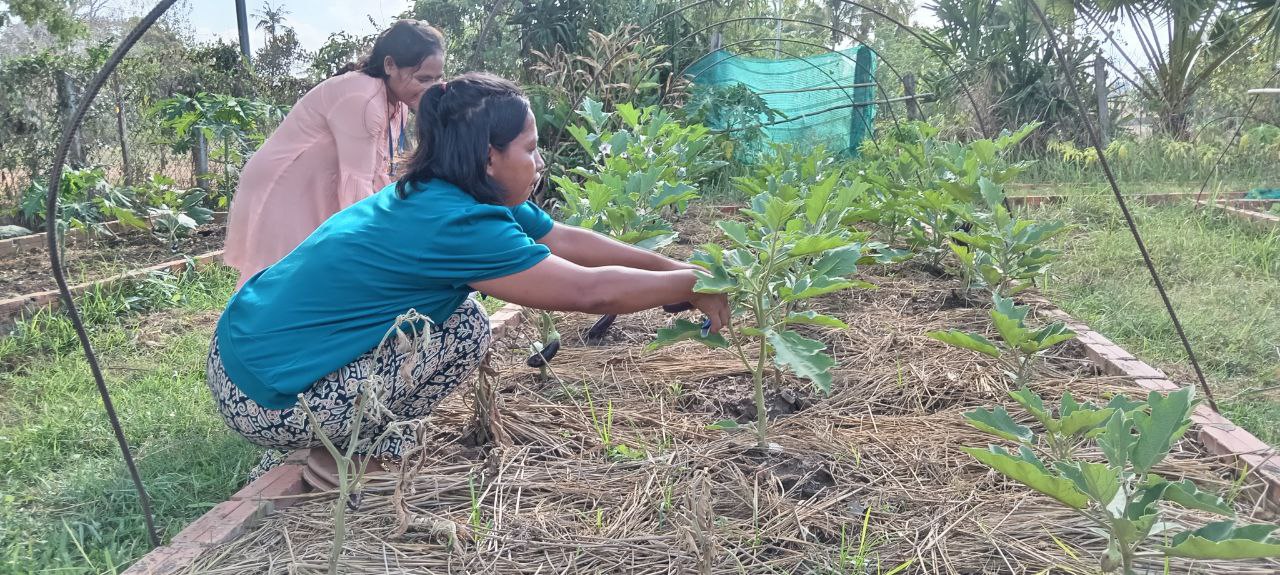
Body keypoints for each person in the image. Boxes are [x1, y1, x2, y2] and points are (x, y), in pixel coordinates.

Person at [206, 73, 731, 487]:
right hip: (263, 398)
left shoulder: (446, 190)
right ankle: (344, 452)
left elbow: (565, 239)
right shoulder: (457, 223)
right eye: (530, 148)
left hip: (245, 353)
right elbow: (586, 291)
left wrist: (678, 271)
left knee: (458, 317)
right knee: (464, 330)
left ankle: (335, 440)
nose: (539, 162)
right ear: (489, 157)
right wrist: (690, 285)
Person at [223, 19, 447, 289]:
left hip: (322, 180)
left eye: (438, 78)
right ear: (390, 65)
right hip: (287, 181)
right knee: (281, 274)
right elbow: (358, 191)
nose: (433, 87)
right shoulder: (362, 98)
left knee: (315, 272)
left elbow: (379, 172)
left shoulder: (397, 104)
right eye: (423, 79)